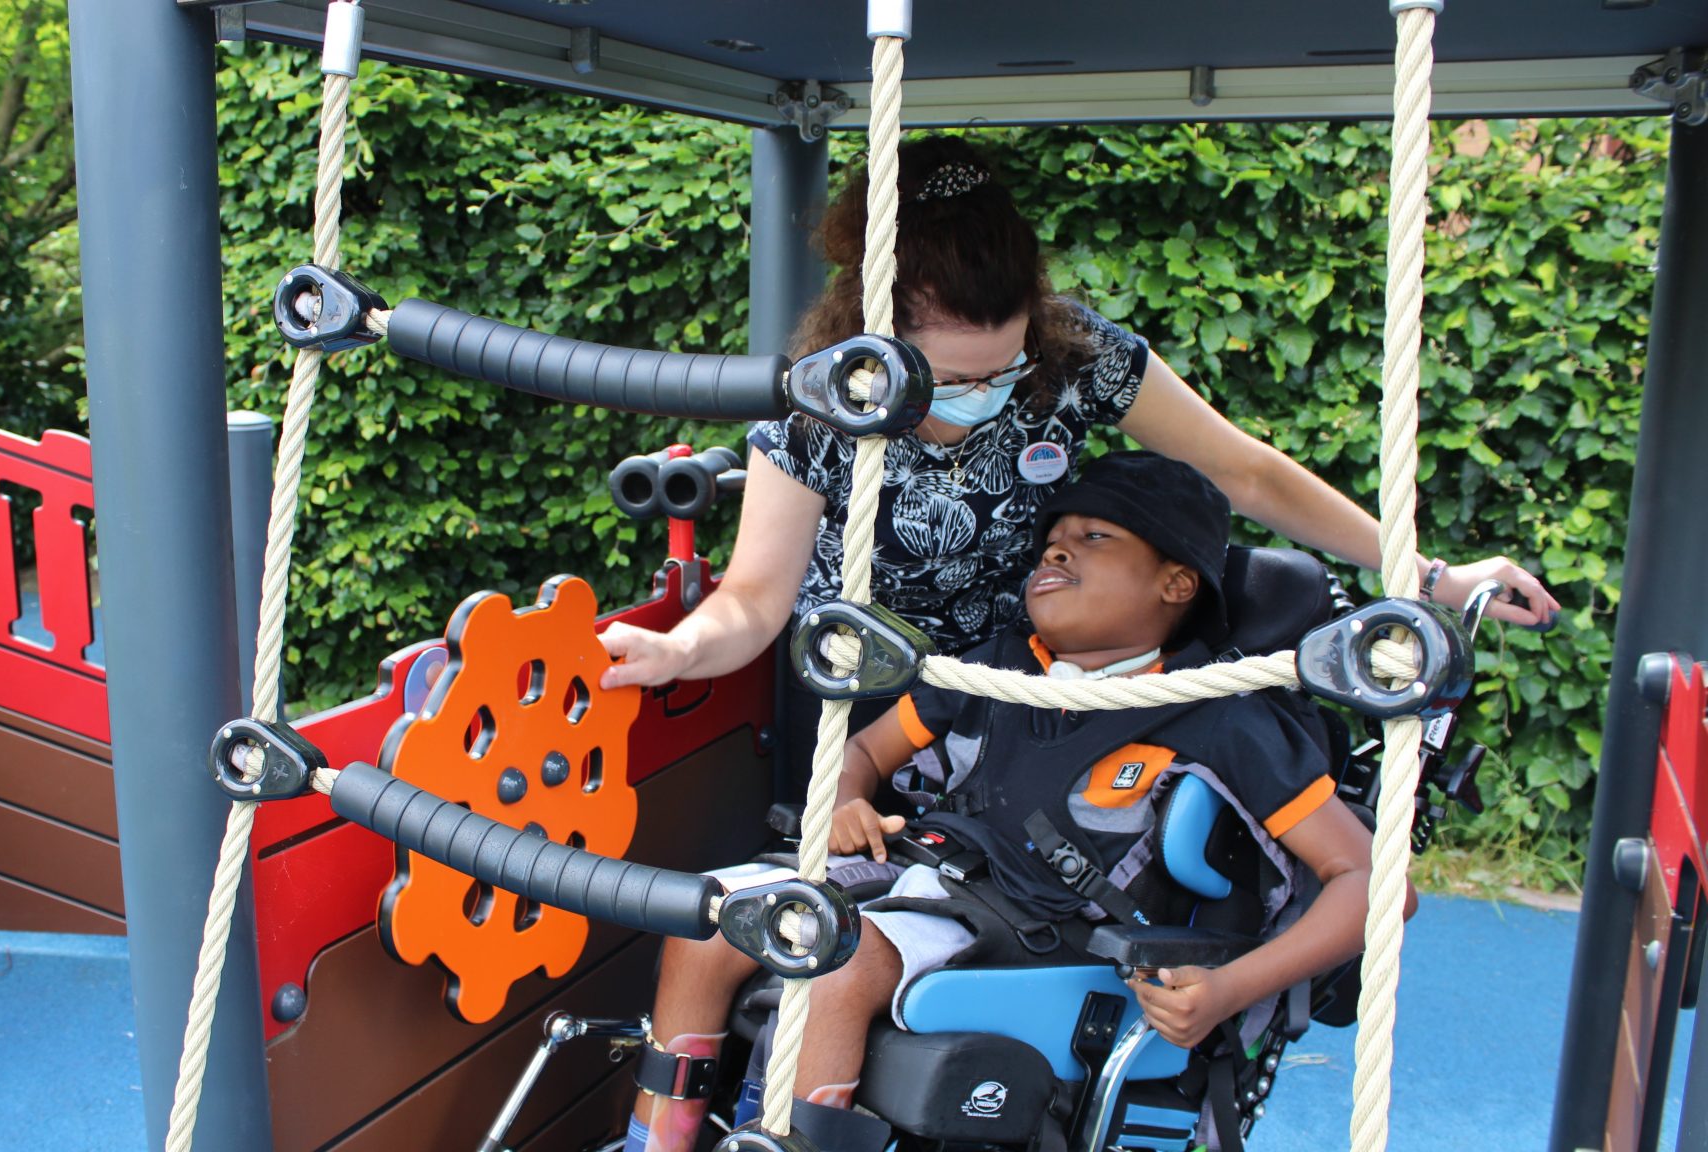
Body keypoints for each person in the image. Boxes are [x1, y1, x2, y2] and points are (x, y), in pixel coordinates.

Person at [599, 136, 1558, 734]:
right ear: (875, 342)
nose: (988, 391)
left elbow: (1249, 476)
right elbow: (756, 601)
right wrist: (685, 650)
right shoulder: (822, 404)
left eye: (1006, 366)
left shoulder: (1077, 355)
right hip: (854, 699)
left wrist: (1431, 575)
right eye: (955, 376)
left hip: (1018, 692)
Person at [622, 453, 1383, 1152]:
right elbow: (862, 754)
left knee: (831, 963)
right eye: (1052, 539)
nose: (1056, 550)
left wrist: (1230, 990)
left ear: (1176, 583)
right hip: (930, 881)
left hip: (1057, 934)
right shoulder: (1000, 671)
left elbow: (1373, 887)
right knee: (710, 920)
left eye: (1095, 536)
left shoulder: (1224, 718)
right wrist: (848, 799)